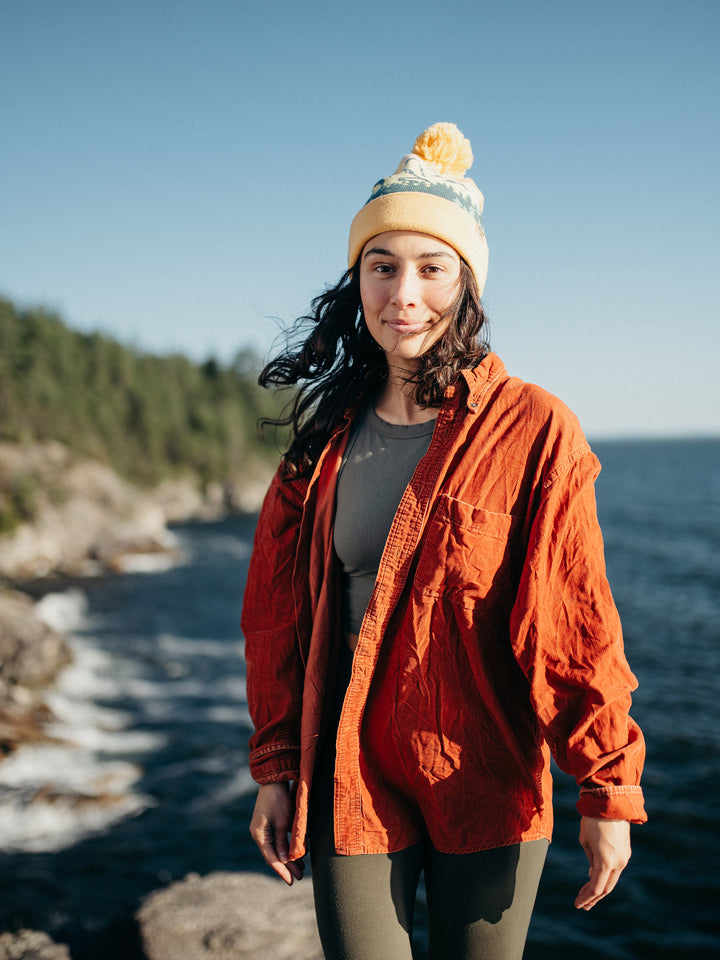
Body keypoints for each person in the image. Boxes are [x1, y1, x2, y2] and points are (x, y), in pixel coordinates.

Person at [242, 122, 646, 960]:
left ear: (466, 283)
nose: (404, 295)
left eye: (432, 268)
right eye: (381, 267)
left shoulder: (533, 429)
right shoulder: (322, 443)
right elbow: (277, 618)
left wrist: (608, 789)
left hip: (486, 776)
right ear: (357, 280)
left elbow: (574, 620)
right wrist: (278, 764)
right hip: (351, 773)